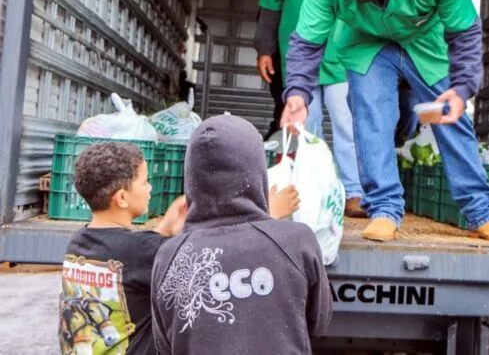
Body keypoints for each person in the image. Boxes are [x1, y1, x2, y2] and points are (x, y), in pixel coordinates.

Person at [280, 0, 489, 244]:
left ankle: (481, 212)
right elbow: (306, 41)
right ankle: (384, 210)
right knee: (371, 114)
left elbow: (464, 31)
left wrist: (462, 88)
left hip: (423, 41)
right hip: (365, 42)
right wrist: (297, 95)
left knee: (449, 115)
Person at [150, 114, 332, 354]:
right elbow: (319, 322)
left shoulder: (170, 255)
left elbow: (165, 345)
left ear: (192, 176)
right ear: (257, 171)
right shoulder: (296, 241)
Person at [255, 0, 365, 218]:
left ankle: (355, 193)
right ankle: (306, 191)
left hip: (339, 52)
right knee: (305, 127)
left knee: (346, 123)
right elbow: (270, 9)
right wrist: (264, 50)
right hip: (298, 56)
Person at [59, 142, 188, 355]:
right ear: (121, 198)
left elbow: (131, 254)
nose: (150, 188)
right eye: (145, 182)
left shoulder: (77, 242)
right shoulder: (143, 249)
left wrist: (165, 227)